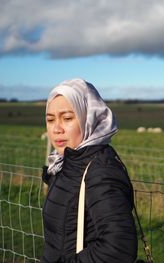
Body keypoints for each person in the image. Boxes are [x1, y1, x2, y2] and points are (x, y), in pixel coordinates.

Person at [41, 78, 138, 263]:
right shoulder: (65, 163)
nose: (56, 129)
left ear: (89, 118)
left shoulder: (100, 171)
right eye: (50, 119)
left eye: (67, 118)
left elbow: (118, 249)